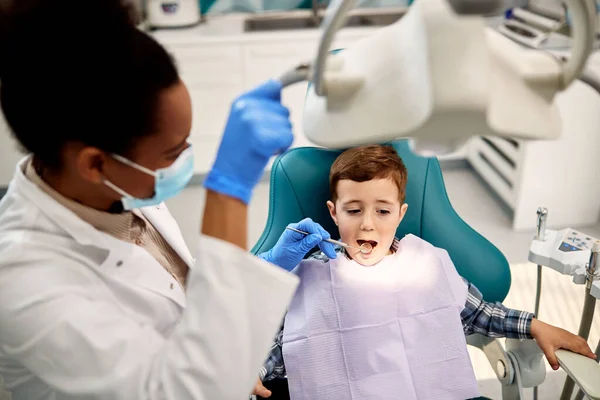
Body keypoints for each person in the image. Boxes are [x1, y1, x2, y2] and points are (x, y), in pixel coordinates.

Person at [0, 1, 335, 399]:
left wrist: (265, 268)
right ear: (94, 163)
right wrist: (227, 191)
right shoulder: (23, 280)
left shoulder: (118, 189)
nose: (186, 156)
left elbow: (178, 298)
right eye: (172, 153)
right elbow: (188, 391)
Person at [258, 144, 596, 399]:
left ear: (401, 213)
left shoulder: (424, 263)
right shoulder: (312, 273)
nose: (367, 223)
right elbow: (290, 345)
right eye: (353, 210)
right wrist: (254, 369)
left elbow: (477, 313)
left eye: (383, 211)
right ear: (333, 213)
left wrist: (536, 325)